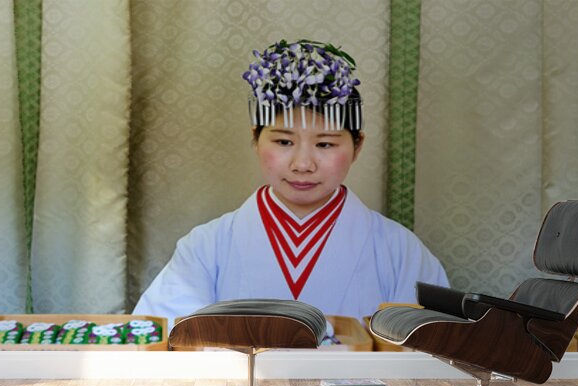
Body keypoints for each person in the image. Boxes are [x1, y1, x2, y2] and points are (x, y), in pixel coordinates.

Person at [133, 40, 448, 326]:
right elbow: (165, 339)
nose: (303, 164)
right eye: (284, 142)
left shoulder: (400, 251)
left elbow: (434, 349)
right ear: (256, 139)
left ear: (358, 145)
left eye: (325, 144)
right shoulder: (205, 247)